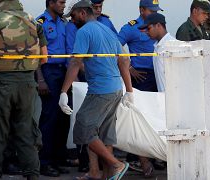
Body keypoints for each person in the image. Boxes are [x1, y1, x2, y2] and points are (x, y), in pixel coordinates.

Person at [0, 0, 48, 179]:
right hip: (28, 84)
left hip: (0, 84)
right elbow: (44, 58)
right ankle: (32, 175)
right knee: (27, 134)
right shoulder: (34, 22)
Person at [59, 1, 133, 180]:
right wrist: (129, 91)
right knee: (105, 135)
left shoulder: (84, 31)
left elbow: (76, 62)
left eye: (74, 16)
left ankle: (116, 164)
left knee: (83, 129)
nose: (72, 20)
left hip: (100, 90)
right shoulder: (106, 29)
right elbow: (124, 60)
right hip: (115, 89)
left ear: (83, 13)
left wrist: (63, 92)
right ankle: (107, 175)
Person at [118, 0, 163, 176]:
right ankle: (140, 158)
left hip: (157, 75)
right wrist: (128, 68)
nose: (153, 13)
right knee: (141, 117)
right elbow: (115, 45)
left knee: (155, 116)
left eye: (155, 10)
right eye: (151, 10)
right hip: (140, 77)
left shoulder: (157, 26)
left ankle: (151, 155)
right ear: (142, 10)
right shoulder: (131, 27)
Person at [37, 0, 71, 177]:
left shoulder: (63, 23)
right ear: (50, 3)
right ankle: (44, 162)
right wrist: (40, 79)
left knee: (63, 117)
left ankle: (59, 158)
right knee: (49, 117)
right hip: (48, 71)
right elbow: (35, 54)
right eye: (60, 2)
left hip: (65, 72)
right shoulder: (40, 23)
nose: (63, 6)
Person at [138, 13, 176, 92]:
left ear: (158, 25)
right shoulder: (157, 46)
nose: (147, 32)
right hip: (163, 97)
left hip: (173, 97)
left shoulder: (173, 45)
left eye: (149, 28)